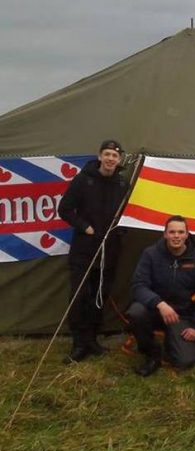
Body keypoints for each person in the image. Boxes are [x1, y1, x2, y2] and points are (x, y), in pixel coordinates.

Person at [58, 139, 129, 363]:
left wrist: (120, 231)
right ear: (100, 156)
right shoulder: (82, 180)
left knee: (99, 296)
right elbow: (65, 209)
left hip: (109, 251)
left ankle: (92, 340)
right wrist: (85, 227)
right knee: (80, 296)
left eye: (114, 156)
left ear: (119, 160)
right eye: (107, 154)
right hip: (84, 250)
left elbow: (126, 214)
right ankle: (79, 343)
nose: (110, 159)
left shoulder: (122, 185)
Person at [127, 215, 195, 376]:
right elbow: (138, 286)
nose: (176, 236)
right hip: (156, 310)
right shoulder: (150, 254)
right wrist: (160, 304)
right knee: (136, 311)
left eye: (181, 232)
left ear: (187, 235)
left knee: (184, 362)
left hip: (182, 314)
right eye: (172, 232)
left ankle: (175, 343)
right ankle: (152, 354)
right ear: (165, 234)